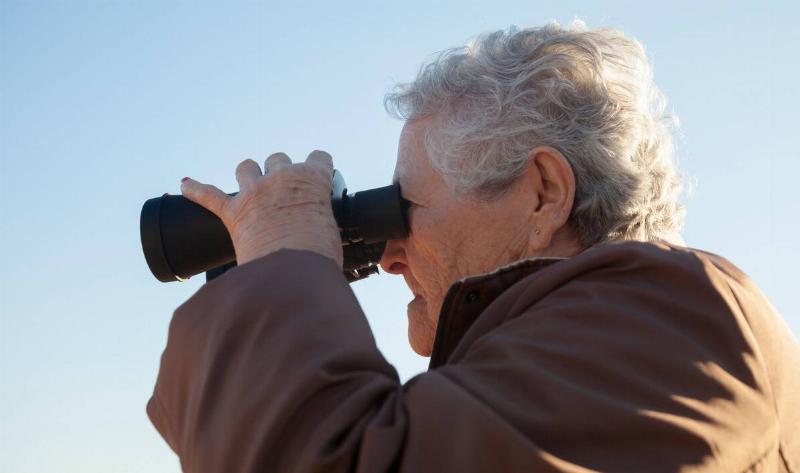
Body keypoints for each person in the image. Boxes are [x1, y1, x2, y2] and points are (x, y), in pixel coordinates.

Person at [147, 21, 800, 472]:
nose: (389, 256)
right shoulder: (638, 342)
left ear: (542, 195)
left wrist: (284, 263)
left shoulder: (677, 320)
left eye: (404, 211)